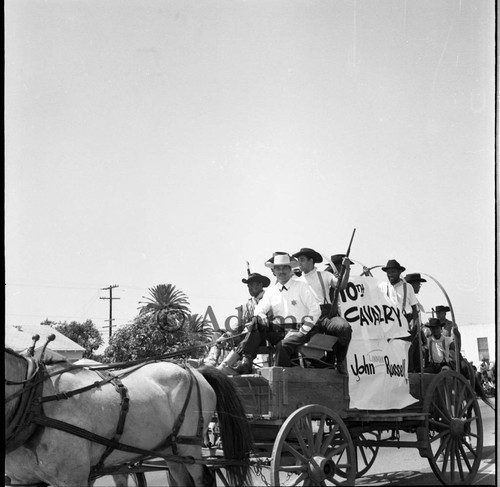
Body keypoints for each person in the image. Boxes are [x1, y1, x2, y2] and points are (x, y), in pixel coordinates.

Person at [292, 248, 352, 371]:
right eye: (299, 260)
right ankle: (318, 369)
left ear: (311, 261)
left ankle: (339, 360)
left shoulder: (324, 275)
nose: (299, 263)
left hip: (326, 315)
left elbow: (342, 286)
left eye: (302, 260)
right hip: (309, 318)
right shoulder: (296, 282)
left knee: (345, 328)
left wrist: (347, 269)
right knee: (310, 346)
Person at [203, 272, 271, 367]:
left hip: (262, 336)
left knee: (251, 332)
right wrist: (226, 335)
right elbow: (239, 324)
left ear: (260, 285)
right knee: (218, 334)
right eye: (248, 286)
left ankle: (226, 365)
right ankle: (211, 361)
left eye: (252, 285)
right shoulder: (247, 304)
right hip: (245, 335)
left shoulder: (269, 298)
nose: (249, 288)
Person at [379, 259, 420, 372]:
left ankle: (408, 375)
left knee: (405, 350)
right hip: (389, 322)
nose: (390, 275)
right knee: (389, 350)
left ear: (399, 272)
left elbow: (414, 308)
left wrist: (414, 322)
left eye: (393, 272)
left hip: (405, 320)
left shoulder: (407, 287)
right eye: (388, 272)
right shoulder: (383, 286)